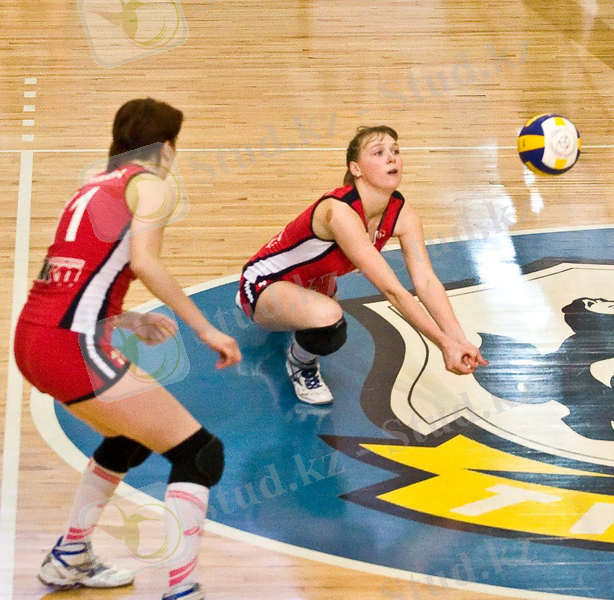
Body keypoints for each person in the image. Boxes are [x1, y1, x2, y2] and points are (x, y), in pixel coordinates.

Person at [14, 98, 241, 600]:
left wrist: (127, 319)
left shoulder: (92, 186)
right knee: (200, 454)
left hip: (34, 338)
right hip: (71, 345)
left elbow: (66, 279)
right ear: (166, 146)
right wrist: (207, 329)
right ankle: (182, 591)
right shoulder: (151, 182)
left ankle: (70, 558)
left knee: (128, 439)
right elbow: (146, 262)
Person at [237, 125, 487, 405]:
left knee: (326, 322)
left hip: (317, 284)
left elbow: (426, 281)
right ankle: (299, 362)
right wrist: (443, 344)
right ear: (355, 169)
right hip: (264, 283)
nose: (391, 157)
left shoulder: (404, 215)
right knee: (330, 321)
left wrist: (458, 339)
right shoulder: (339, 211)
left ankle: (295, 314)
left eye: (395, 151)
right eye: (378, 153)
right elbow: (393, 291)